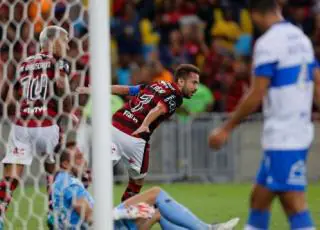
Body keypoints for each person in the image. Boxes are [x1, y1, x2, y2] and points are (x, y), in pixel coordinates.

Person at [208, 1, 320, 229]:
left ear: (254, 14)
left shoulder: (268, 43)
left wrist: (226, 128)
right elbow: (317, 82)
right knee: (259, 199)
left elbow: (257, 92)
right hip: (296, 130)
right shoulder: (300, 38)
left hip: (284, 137)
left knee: (294, 203)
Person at [78, 64, 200, 202]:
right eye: (193, 83)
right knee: (137, 181)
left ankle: (72, 194)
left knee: (97, 172)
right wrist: (145, 124)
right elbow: (159, 108)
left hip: (114, 125)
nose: (196, 88)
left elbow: (127, 90)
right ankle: (126, 213)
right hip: (135, 136)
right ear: (181, 81)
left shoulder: (157, 84)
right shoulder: (176, 96)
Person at [51, 142, 240, 230]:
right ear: (66, 164)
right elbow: (91, 217)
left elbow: (55, 219)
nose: (83, 160)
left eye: (82, 156)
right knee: (155, 193)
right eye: (77, 158)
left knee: (158, 212)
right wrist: (122, 213)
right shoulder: (70, 185)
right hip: (106, 226)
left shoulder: (60, 183)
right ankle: (208, 229)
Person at [0, 26, 73, 228]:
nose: (67, 45)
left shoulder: (24, 63)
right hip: (47, 124)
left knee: (12, 173)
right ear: (54, 41)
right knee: (54, 169)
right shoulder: (59, 62)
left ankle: (0, 212)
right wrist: (68, 109)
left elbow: (10, 97)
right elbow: (61, 86)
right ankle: (53, 213)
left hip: (22, 124)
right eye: (65, 40)